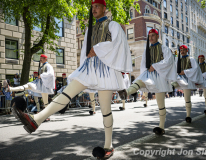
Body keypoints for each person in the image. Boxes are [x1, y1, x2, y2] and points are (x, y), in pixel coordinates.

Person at [12, 0, 132, 159]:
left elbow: (117, 45)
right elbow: (85, 53)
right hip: (90, 68)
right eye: (93, 6)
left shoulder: (113, 25)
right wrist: (83, 67)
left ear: (104, 8)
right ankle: (36, 119)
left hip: (106, 70)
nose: (94, 9)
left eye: (97, 6)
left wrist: (97, 49)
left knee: (105, 109)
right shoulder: (89, 28)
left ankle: (108, 145)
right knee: (66, 92)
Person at [118, 29, 177, 135]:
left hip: (160, 77)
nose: (151, 38)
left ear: (157, 36)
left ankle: (161, 127)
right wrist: (144, 73)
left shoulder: (164, 48)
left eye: (153, 35)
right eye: (149, 36)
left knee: (160, 104)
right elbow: (143, 63)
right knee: (139, 81)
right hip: (149, 74)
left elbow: (169, 61)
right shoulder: (147, 50)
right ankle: (126, 92)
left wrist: (155, 66)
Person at [172, 45, 203, 123]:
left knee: (187, 99)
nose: (182, 51)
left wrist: (185, 72)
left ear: (187, 50)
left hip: (187, 79)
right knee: (171, 84)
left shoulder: (191, 59)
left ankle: (188, 116)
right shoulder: (177, 60)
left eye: (184, 50)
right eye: (181, 50)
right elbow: (174, 69)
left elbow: (195, 69)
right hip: (179, 78)